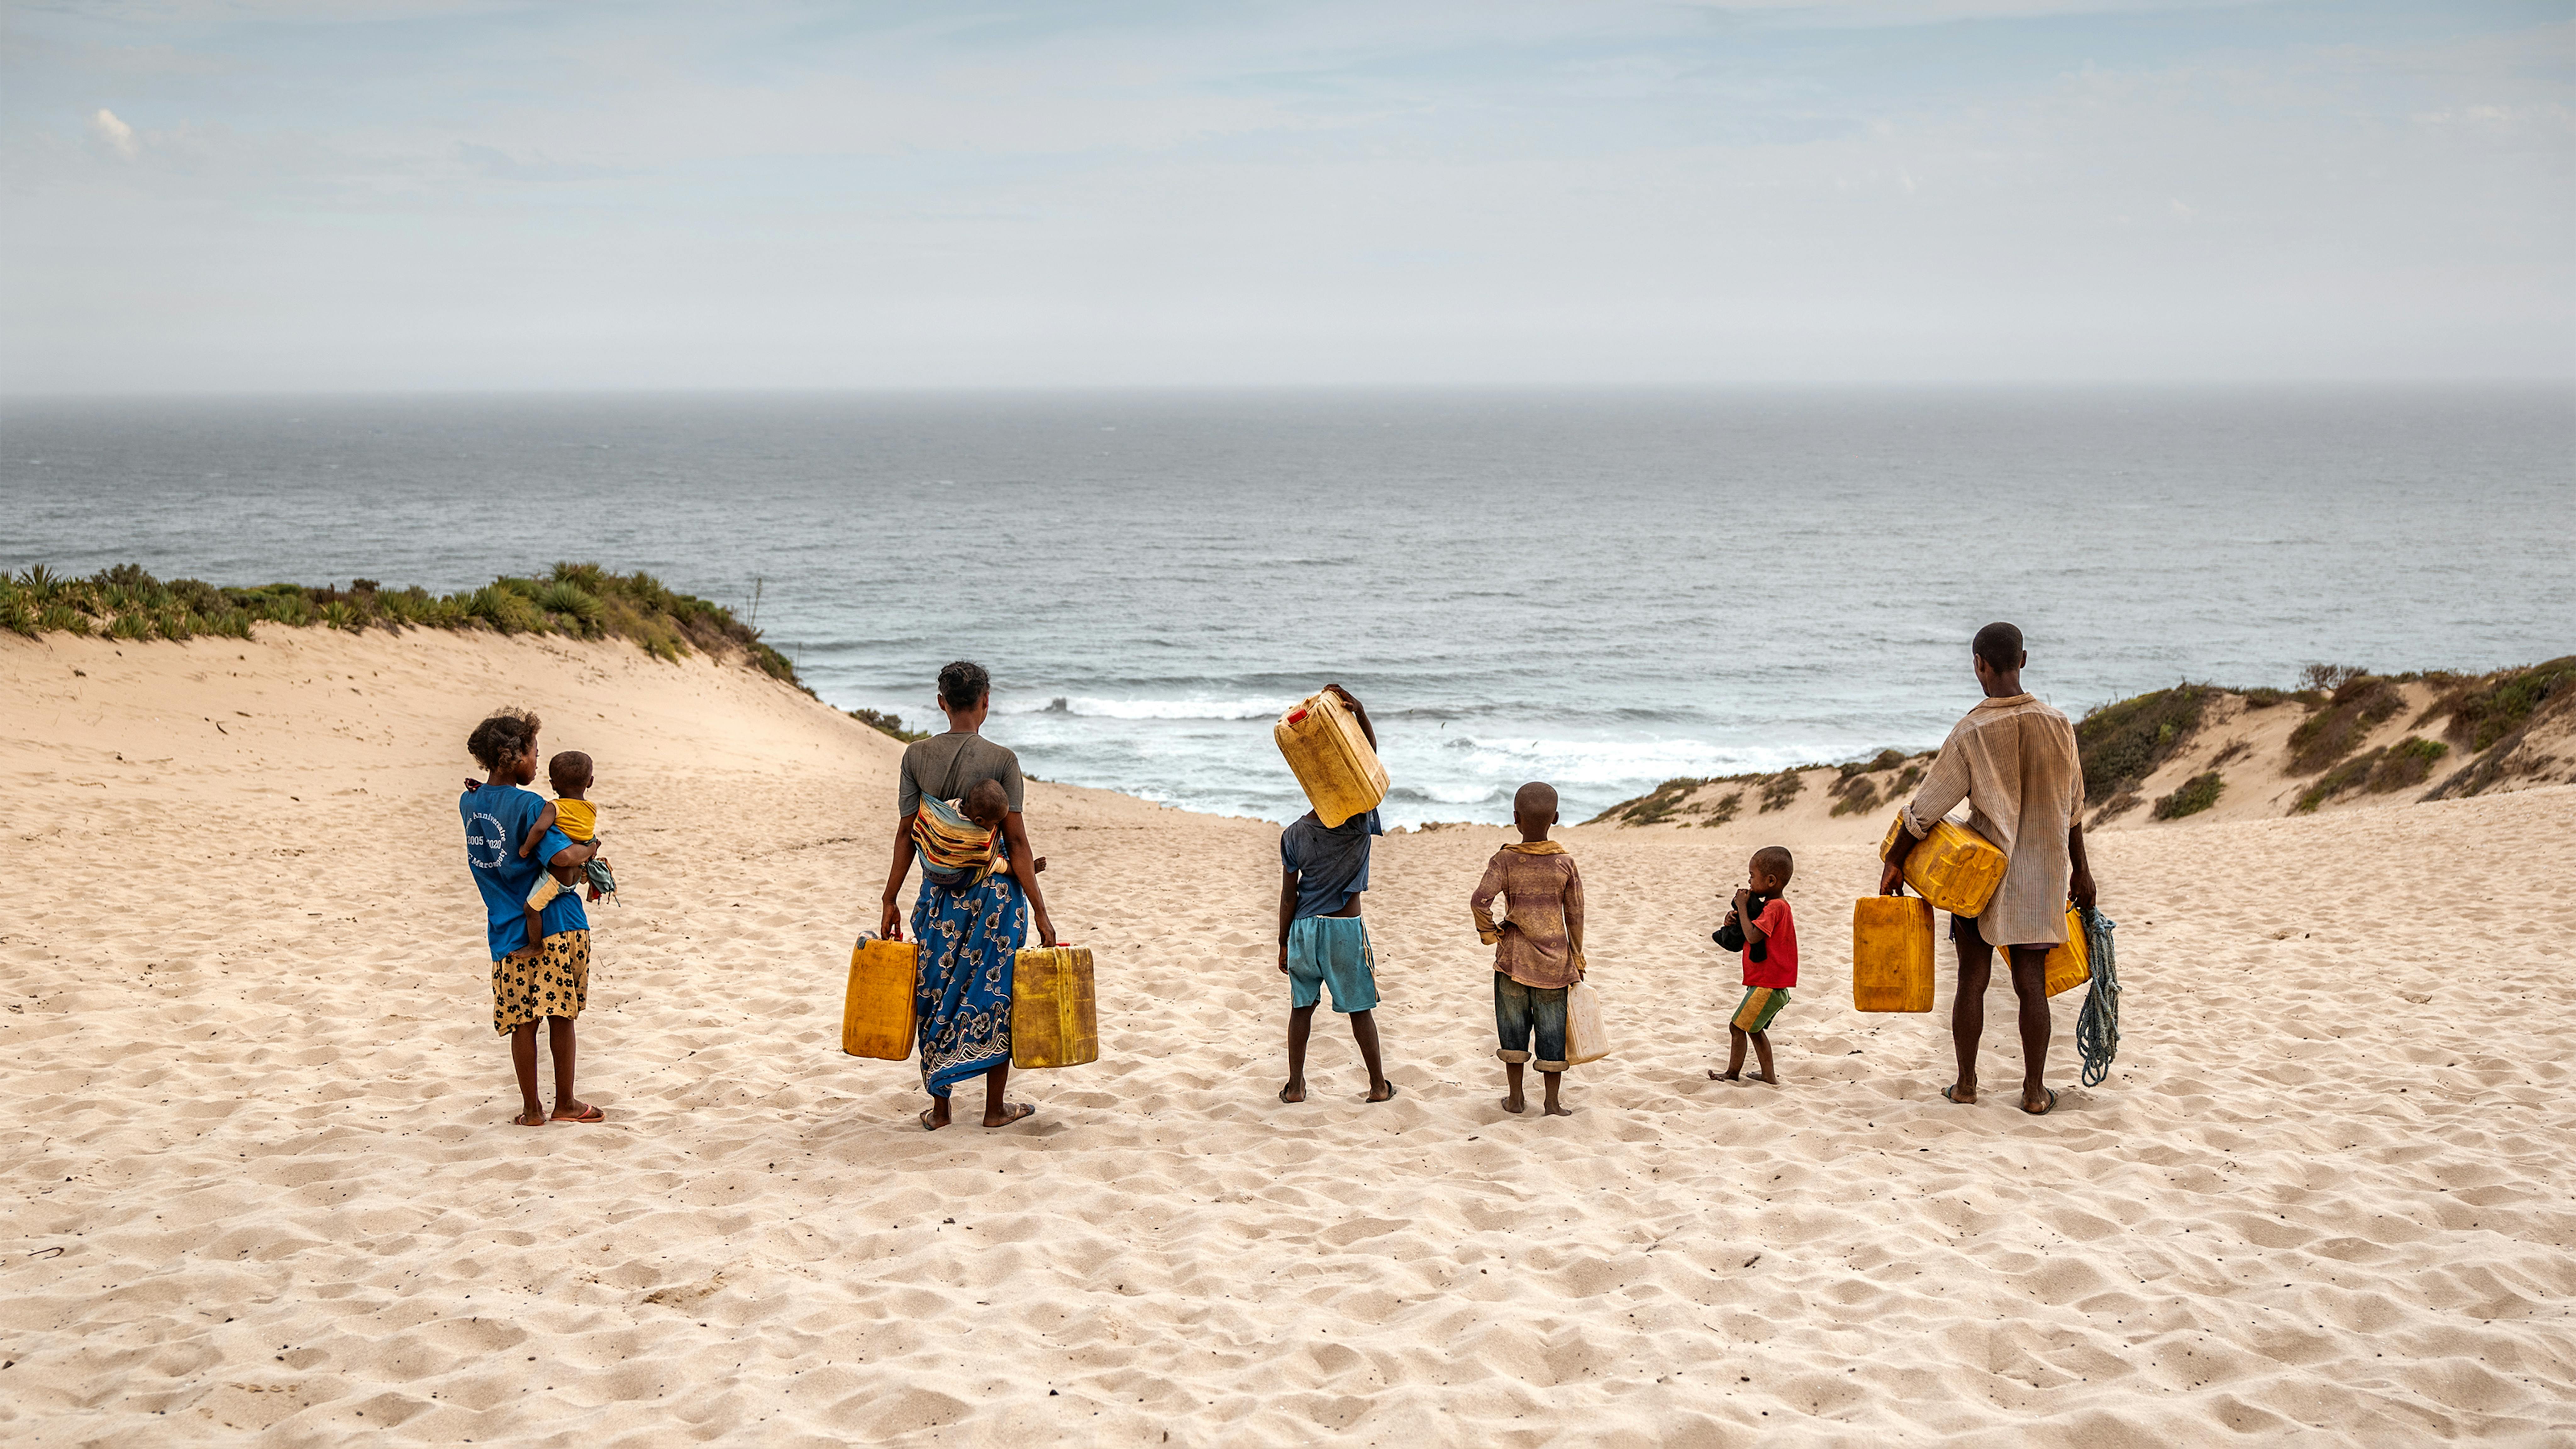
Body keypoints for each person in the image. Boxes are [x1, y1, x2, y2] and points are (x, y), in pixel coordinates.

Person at [1880, 622, 2096, 1115]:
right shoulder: (2059, 725)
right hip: (2042, 876)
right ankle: (2035, 1092)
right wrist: (2081, 872)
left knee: (1972, 982)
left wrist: (1895, 860)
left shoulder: (1972, 731)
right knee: (2031, 985)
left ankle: (1966, 1085)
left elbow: (1927, 808)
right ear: (2024, 660)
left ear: (1979, 664)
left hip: (1982, 878)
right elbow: (2074, 809)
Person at [880, 660, 1057, 1131]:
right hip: (997, 899)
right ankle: (995, 1109)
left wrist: (889, 899)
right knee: (994, 995)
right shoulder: (1003, 760)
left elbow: (905, 835)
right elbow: (1018, 845)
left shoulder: (915, 757)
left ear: (942, 703)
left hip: (940, 900)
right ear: (985, 702)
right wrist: (1042, 913)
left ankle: (941, 1111)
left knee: (936, 994)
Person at [459, 709, 606, 1127]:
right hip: (558, 923)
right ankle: (567, 1104)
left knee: (524, 1020)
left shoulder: (468, 802)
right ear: (515, 756)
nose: (539, 762)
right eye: (535, 753)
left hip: (506, 929)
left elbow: (491, 828)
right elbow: (562, 860)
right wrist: (592, 850)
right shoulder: (533, 805)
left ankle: (532, 1111)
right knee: (562, 1015)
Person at [1276, 684, 1395, 1105]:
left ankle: (1295, 1086)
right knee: (1360, 1010)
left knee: (1301, 1010)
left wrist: (1282, 942)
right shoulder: (1356, 820)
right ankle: (1378, 1086)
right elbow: (1368, 762)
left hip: (1304, 932)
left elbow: (1289, 896)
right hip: (1344, 928)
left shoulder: (1293, 834)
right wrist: (1358, 710)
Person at [1471, 781, 1586, 1117]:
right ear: (1556, 818)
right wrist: (1577, 956)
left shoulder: (1505, 859)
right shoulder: (1564, 863)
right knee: (1552, 1034)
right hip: (1555, 964)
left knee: (1512, 1032)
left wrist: (1490, 934)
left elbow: (1479, 901)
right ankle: (1551, 1104)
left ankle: (1516, 1099)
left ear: (1516, 819)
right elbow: (1575, 915)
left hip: (1513, 960)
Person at [1710, 846, 1796, 1085]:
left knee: (1737, 1027)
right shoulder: (1774, 906)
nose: (1749, 880)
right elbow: (1746, 929)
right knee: (1755, 1029)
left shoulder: (1776, 907)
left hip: (1768, 985)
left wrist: (1742, 907)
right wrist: (1734, 917)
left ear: (1770, 881)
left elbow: (1753, 936)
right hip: (1768, 983)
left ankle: (1731, 1073)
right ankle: (1769, 1076)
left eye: (1752, 876)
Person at [524, 751, 615, 912]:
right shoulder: (592, 808)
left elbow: (539, 829)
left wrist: (526, 849)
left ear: (553, 785)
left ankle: (534, 939)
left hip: (559, 875)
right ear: (590, 782)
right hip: (578, 872)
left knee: (531, 909)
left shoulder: (554, 807)